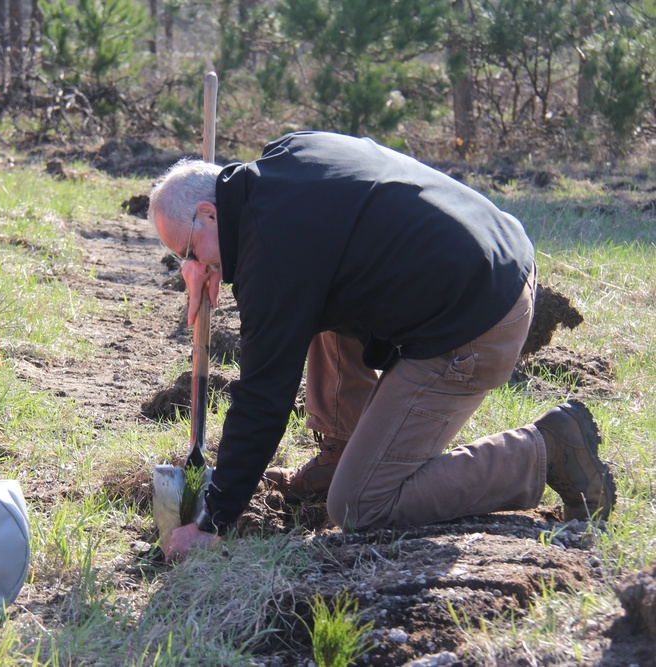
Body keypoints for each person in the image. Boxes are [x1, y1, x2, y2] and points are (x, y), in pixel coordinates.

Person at [147, 131, 616, 560]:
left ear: (209, 214)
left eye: (187, 252)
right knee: (315, 296)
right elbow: (309, 252)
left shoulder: (270, 257)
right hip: (495, 251)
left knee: (359, 505)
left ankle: (545, 450)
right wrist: (201, 260)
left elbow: (264, 396)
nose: (192, 266)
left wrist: (215, 519)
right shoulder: (285, 159)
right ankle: (345, 448)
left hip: (476, 321)